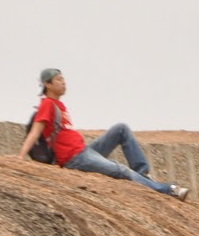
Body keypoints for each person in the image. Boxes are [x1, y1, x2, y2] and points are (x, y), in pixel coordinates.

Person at [17, 68, 189, 202]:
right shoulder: (47, 104)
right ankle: (169, 190)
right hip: (75, 158)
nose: (64, 83)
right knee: (121, 170)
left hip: (84, 151)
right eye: (59, 80)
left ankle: (142, 174)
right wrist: (21, 157)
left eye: (64, 79)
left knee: (121, 129)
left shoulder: (58, 105)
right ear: (48, 84)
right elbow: (35, 132)